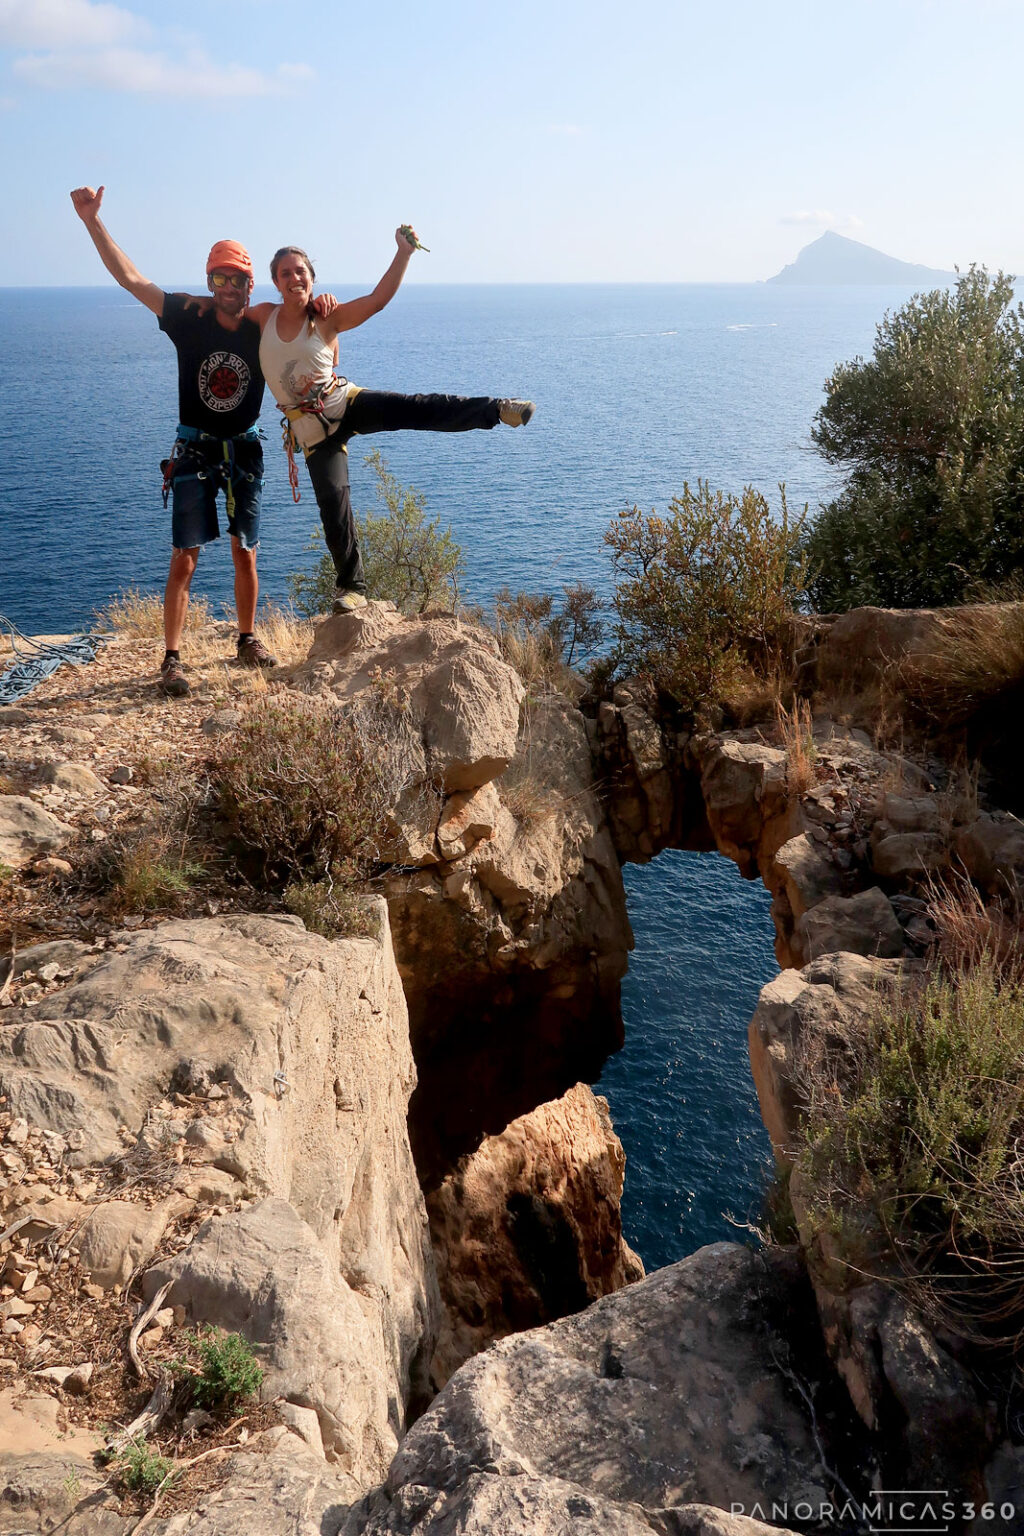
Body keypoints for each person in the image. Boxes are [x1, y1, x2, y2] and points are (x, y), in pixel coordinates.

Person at [69, 185, 331, 696]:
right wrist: (92, 221)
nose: (230, 285)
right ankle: (172, 658)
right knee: (185, 554)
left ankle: (247, 639)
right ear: (209, 281)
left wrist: (322, 302)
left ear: (252, 283)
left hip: (245, 447)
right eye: (220, 277)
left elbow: (315, 326)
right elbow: (131, 279)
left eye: (239, 278)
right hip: (195, 446)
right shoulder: (187, 318)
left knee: (245, 551)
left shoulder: (265, 327)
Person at [248, 230, 535, 614]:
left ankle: (498, 409)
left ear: (312, 278)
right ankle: (352, 588)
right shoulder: (263, 316)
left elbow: (377, 300)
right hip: (312, 434)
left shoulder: (325, 320)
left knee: (413, 407)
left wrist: (403, 253)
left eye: (301, 271)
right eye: (285, 273)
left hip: (343, 403)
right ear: (276, 282)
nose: (294, 278)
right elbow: (222, 311)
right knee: (333, 507)